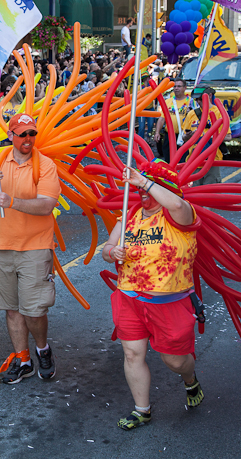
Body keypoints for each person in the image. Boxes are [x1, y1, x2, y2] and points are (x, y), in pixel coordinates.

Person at [101, 161, 203, 430]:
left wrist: (145, 181)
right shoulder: (129, 215)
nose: (142, 195)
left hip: (170, 301)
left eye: (148, 191)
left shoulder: (180, 214)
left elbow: (179, 205)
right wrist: (112, 252)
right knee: (133, 354)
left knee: (174, 360)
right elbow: (107, 246)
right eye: (139, 192)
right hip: (129, 298)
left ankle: (190, 379)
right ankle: (141, 410)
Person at [0, 113, 61, 383]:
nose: (27, 139)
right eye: (22, 134)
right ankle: (23, 360)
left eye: (31, 134)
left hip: (35, 246)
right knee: (11, 308)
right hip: (3, 246)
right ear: (11, 136)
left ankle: (43, 350)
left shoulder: (45, 165)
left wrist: (12, 201)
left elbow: (46, 205)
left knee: (34, 310)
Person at [178, 89, 231, 185]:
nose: (198, 102)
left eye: (200, 99)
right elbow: (184, 138)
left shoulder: (219, 112)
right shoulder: (192, 114)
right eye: (196, 99)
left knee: (211, 192)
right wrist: (189, 135)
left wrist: (209, 138)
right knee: (193, 193)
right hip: (194, 160)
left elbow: (228, 137)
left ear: (210, 95)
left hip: (212, 160)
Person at [154, 79, 193, 163]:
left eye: (179, 86)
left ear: (185, 88)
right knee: (168, 160)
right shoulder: (168, 101)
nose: (176, 88)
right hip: (169, 136)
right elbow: (161, 118)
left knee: (183, 160)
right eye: (174, 86)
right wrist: (157, 132)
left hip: (184, 136)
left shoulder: (191, 102)